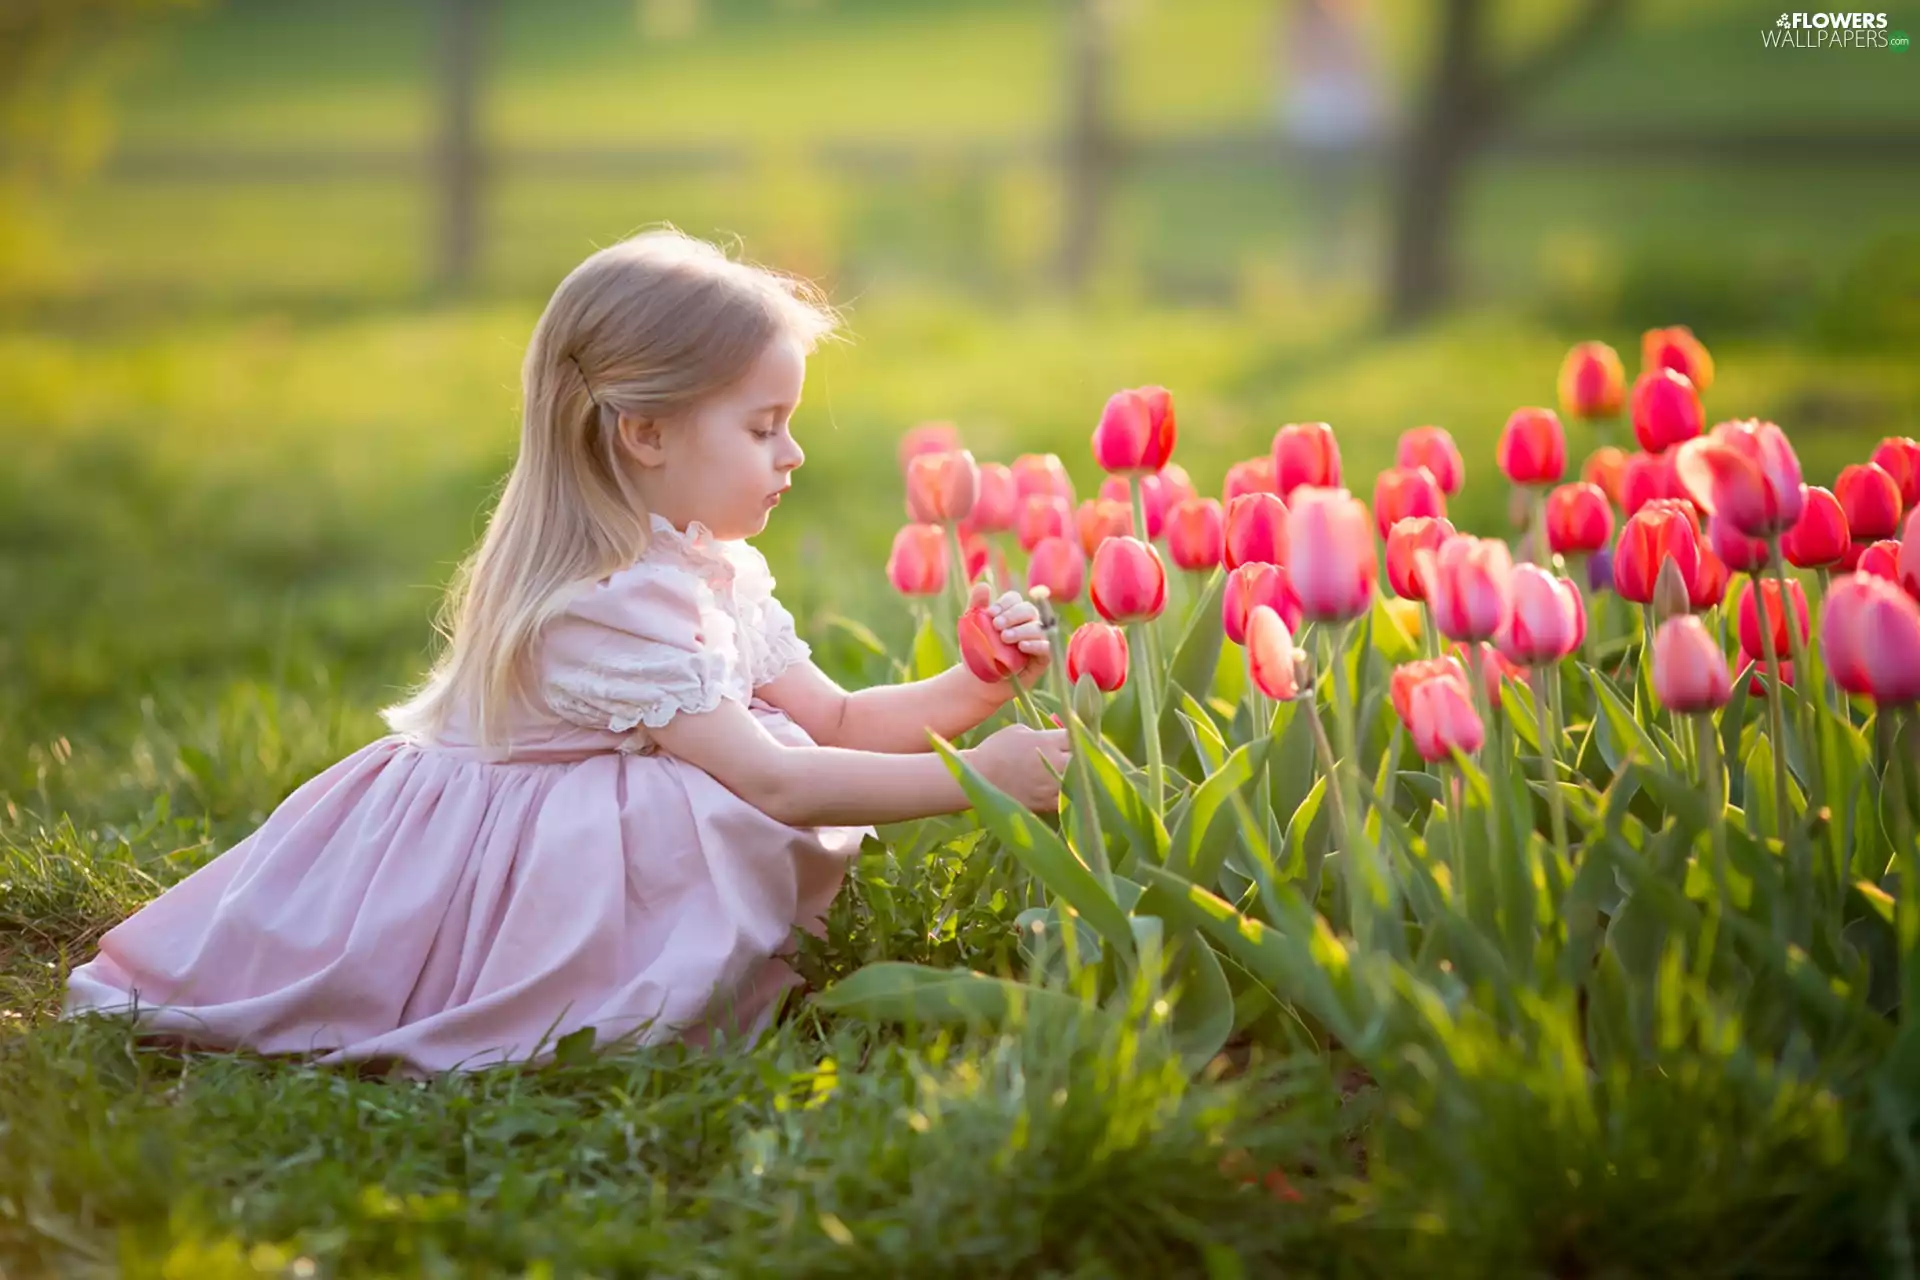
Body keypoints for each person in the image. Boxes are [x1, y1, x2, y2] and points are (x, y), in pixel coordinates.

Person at [64, 229, 1070, 1074]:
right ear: (644, 432)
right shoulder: (598, 607)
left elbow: (840, 720)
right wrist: (976, 781)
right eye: (765, 427)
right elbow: (780, 779)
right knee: (706, 800)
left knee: (696, 795)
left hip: (594, 830)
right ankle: (582, 999)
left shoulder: (705, 564)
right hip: (500, 869)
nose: (794, 453)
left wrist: (974, 683)